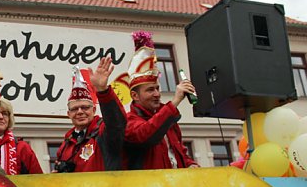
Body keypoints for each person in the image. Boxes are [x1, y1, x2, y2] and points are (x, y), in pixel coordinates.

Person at [116, 31, 198, 170]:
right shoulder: (128, 121)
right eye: (150, 90)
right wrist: (174, 102)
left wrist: (190, 164)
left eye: (157, 88)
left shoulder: (167, 120)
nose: (157, 94)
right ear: (135, 96)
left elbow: (179, 153)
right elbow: (146, 134)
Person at [53, 64, 128, 173]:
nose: (79, 112)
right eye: (74, 109)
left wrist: (103, 91)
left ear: (93, 110)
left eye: (85, 107)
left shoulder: (104, 132)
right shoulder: (66, 144)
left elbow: (117, 123)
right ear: (68, 114)